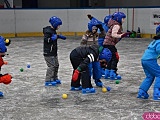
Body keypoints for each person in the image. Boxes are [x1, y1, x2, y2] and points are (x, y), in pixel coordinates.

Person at [103, 12, 131, 80]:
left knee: (110, 58)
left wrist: (124, 34)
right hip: (109, 44)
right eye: (123, 18)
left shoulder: (114, 24)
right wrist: (122, 35)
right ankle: (113, 73)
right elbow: (114, 34)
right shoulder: (116, 25)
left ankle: (107, 73)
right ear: (118, 18)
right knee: (115, 58)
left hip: (107, 44)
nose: (124, 20)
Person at [80, 15, 106, 87]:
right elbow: (82, 45)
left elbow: (104, 35)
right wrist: (86, 51)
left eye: (96, 29)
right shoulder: (86, 36)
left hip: (96, 56)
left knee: (97, 68)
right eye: (94, 29)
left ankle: (97, 80)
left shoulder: (97, 35)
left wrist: (101, 28)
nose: (95, 30)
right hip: (88, 56)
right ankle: (87, 81)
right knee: (88, 68)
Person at [137, 25, 160, 101]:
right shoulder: (159, 42)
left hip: (144, 60)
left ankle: (142, 92)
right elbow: (158, 51)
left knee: (150, 76)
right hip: (150, 60)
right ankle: (157, 92)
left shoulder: (155, 41)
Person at [43, 16, 66, 86]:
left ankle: (54, 78)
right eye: (58, 25)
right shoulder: (47, 32)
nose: (59, 27)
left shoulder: (53, 31)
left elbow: (54, 36)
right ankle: (48, 80)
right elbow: (46, 40)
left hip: (53, 52)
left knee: (56, 65)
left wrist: (59, 36)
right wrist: (52, 38)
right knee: (51, 66)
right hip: (48, 53)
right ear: (55, 24)